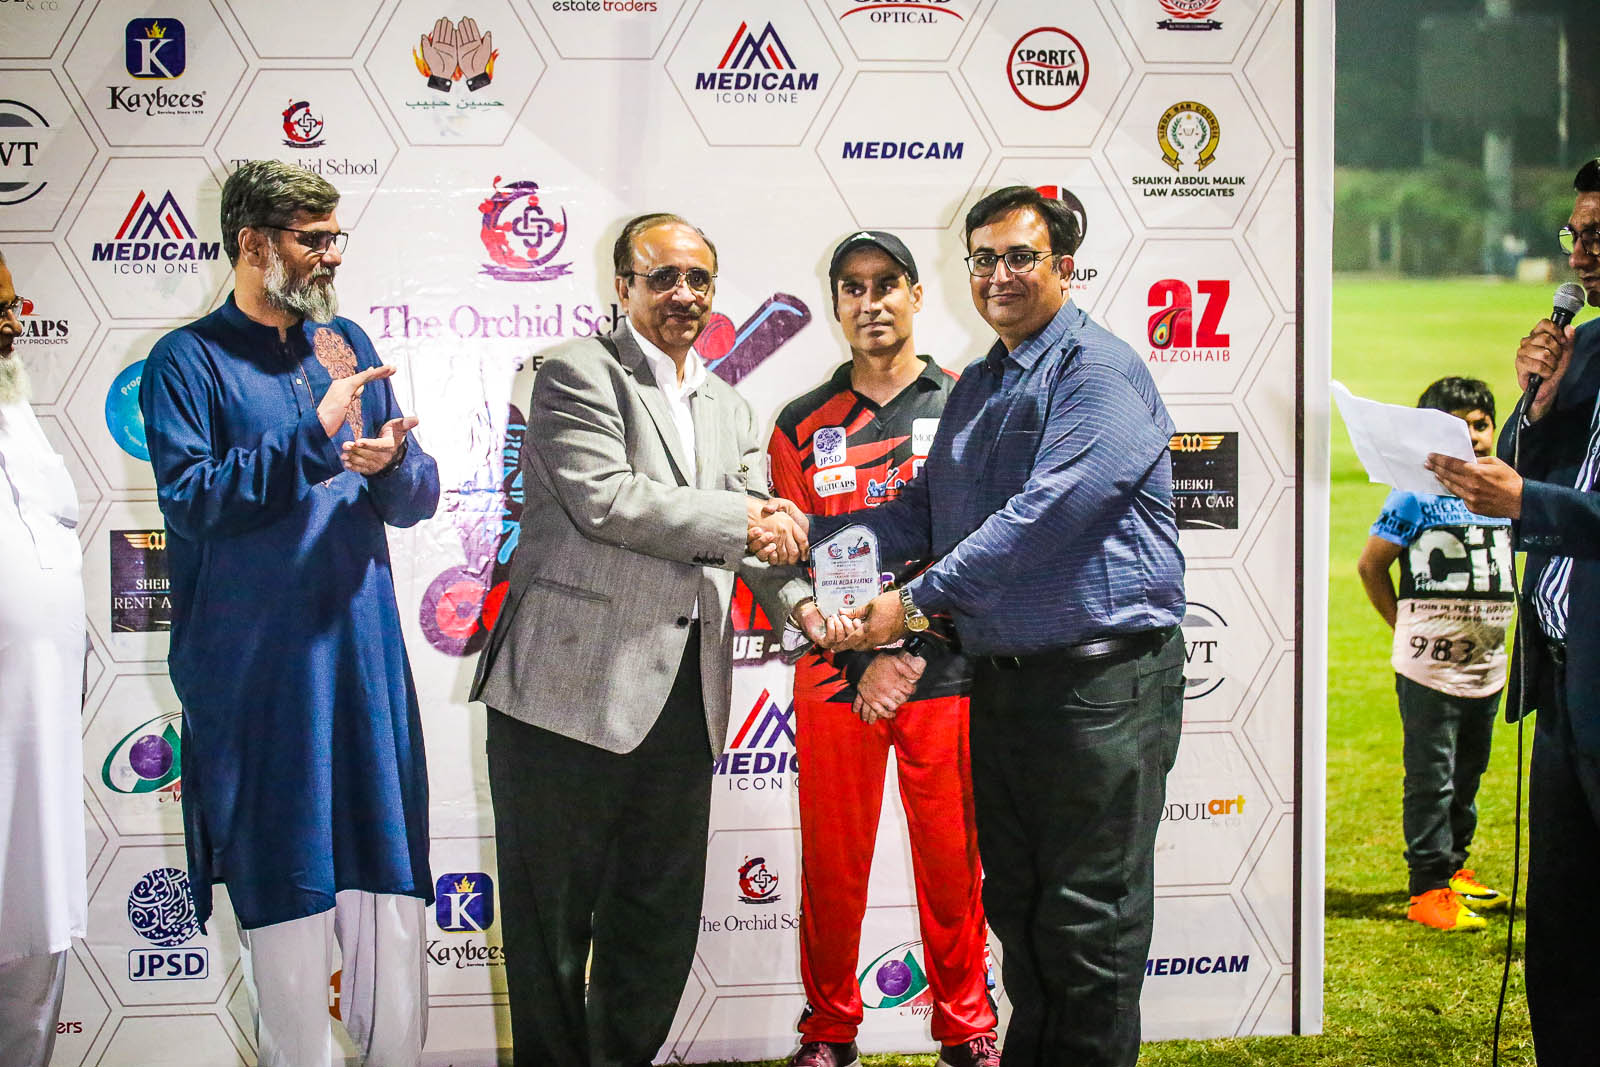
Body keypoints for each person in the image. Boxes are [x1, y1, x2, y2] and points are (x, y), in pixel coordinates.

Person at [763, 186, 1186, 1067]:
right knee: (1023, 912)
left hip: (1101, 687)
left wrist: (910, 606)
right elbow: (925, 510)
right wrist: (807, 536)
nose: (1000, 275)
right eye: (985, 259)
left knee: (1088, 923)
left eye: (1021, 257)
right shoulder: (987, 381)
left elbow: (1043, 517)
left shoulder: (1097, 372)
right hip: (1009, 687)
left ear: (1064, 267)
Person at [469, 212, 810, 1067]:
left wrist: (808, 609)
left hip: (684, 701)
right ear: (622, 287)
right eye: (662, 277)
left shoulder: (730, 405)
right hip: (563, 695)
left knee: (657, 920)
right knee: (551, 928)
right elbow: (610, 499)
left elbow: (756, 541)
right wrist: (750, 519)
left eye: (698, 279)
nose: (683, 294)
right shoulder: (575, 372)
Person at [140, 161, 440, 1067]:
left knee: (389, 893)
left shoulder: (343, 343)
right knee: (288, 899)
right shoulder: (187, 360)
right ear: (252, 243)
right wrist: (313, 436)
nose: (330, 254)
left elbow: (414, 496)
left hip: (362, 665)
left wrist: (394, 463)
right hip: (263, 680)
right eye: (312, 238)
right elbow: (193, 500)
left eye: (334, 236)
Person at [768, 231, 998, 1067]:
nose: (871, 303)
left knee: (953, 860)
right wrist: (862, 659)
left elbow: (986, 542)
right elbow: (788, 561)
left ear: (915, 295)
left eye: (887, 284)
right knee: (833, 864)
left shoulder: (968, 401)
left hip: (946, 667)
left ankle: (966, 1026)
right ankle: (830, 1029)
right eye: (853, 288)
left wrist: (912, 645)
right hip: (838, 674)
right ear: (836, 303)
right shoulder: (800, 422)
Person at [1428, 157, 1600, 1065]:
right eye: (1576, 234)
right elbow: (1544, 470)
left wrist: (1526, 497)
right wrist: (1535, 401)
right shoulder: (1591, 343)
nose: (1580, 254)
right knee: (1562, 924)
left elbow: (1544, 499)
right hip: (1565, 680)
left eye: (1598, 235)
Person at [1357, 377, 1513, 932]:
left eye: (1480, 425)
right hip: (1430, 666)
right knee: (1433, 777)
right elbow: (1371, 566)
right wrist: (1404, 628)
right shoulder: (1413, 494)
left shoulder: (1501, 492)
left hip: (1487, 664)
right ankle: (1426, 887)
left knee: (1469, 771)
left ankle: (1454, 867)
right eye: (1455, 427)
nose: (1473, 437)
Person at [0, 250, 87, 1067]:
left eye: (10, 303)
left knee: (36, 931)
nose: (11, 322)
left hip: (41, 747)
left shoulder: (16, 411)